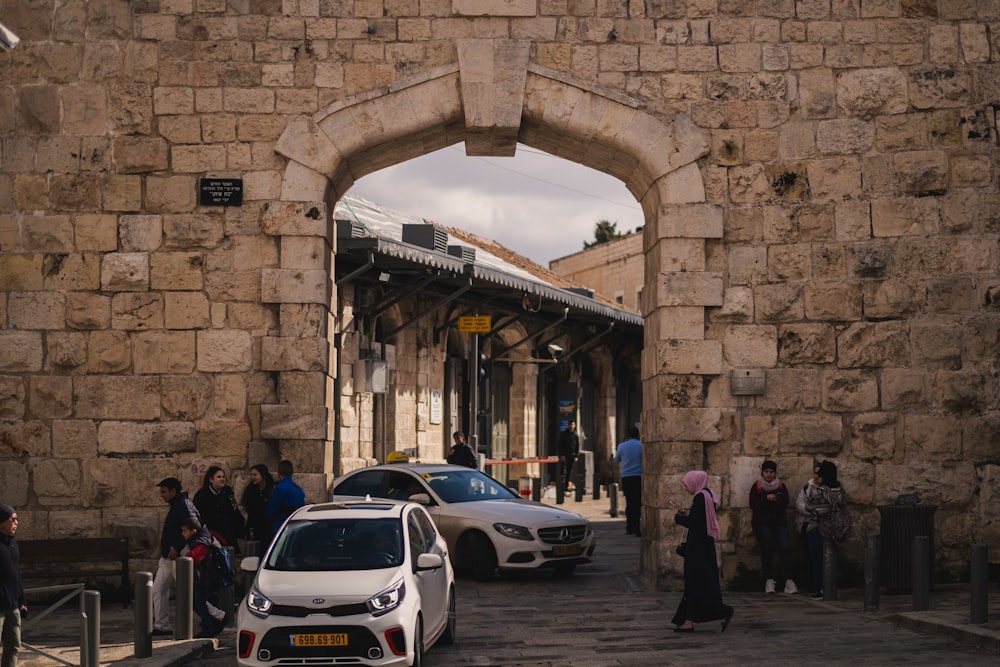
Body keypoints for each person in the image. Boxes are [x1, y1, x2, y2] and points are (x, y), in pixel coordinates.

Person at [671, 471, 734, 633]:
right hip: (703, 547)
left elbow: (694, 523)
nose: (686, 487)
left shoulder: (700, 498)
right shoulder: (707, 495)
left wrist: (677, 518)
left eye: (687, 484)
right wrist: (686, 512)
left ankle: (720, 612)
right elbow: (701, 519)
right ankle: (688, 621)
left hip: (698, 548)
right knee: (696, 585)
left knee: (694, 584)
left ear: (695, 482)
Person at [152, 477, 200, 636]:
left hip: (178, 556)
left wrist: (177, 546)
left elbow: (194, 527)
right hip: (167, 557)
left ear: (173, 491)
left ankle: (216, 615)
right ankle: (161, 625)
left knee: (190, 593)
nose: (162, 495)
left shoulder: (184, 505)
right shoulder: (177, 505)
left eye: (164, 491)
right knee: (158, 590)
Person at [796, 460, 845, 599]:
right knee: (830, 558)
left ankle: (818, 588)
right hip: (834, 529)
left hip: (816, 528)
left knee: (816, 559)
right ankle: (829, 587)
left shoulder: (816, 491)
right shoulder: (840, 491)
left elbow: (811, 507)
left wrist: (811, 508)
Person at [749, 460, 796, 595]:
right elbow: (754, 504)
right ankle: (769, 580)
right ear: (762, 472)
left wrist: (769, 502)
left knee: (785, 548)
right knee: (767, 548)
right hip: (762, 523)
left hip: (779, 523)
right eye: (766, 472)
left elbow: (784, 502)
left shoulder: (780, 486)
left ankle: (788, 580)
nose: (769, 475)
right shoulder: (757, 487)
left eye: (771, 472)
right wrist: (767, 499)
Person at [179, 518, 226, 638]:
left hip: (204, 578)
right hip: (204, 576)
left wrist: (184, 557)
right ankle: (214, 622)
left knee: (200, 603)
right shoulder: (203, 537)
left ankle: (208, 629)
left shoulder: (201, 542)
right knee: (199, 602)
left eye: (185, 531)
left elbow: (194, 557)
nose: (183, 534)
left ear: (193, 531)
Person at [193, 466, 245, 553]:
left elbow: (234, 510)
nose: (222, 479)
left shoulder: (228, 493)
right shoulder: (201, 496)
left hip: (227, 535)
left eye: (223, 477)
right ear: (211, 479)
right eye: (219, 477)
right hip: (211, 536)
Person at [0, 504, 27, 667]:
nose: (16, 523)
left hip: (12, 606)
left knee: (13, 646)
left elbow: (16, 574)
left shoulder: (12, 544)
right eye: (13, 519)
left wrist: (22, 600)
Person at [612, 426, 643, 536]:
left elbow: (616, 460)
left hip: (626, 477)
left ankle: (629, 527)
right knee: (637, 502)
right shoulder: (641, 446)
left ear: (627, 436)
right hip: (638, 477)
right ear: (638, 435)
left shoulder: (621, 446)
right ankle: (637, 527)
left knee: (629, 502)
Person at [266, 460, 305, 535]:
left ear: (279, 473)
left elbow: (271, 510)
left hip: (282, 525)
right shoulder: (298, 489)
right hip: (297, 526)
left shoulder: (280, 488)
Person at [241, 464, 276, 547]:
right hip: (254, 527)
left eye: (255, 475)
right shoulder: (251, 491)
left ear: (262, 475)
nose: (252, 477)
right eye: (251, 475)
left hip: (268, 528)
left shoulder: (272, 490)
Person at [557, 420, 580, 492]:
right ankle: (561, 486)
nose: (572, 426)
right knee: (563, 471)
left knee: (569, 471)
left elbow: (577, 446)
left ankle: (566, 486)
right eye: (570, 425)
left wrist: (576, 456)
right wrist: (562, 454)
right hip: (565, 455)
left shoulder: (575, 435)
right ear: (568, 425)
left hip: (572, 455)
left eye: (573, 424)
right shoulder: (564, 434)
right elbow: (560, 445)